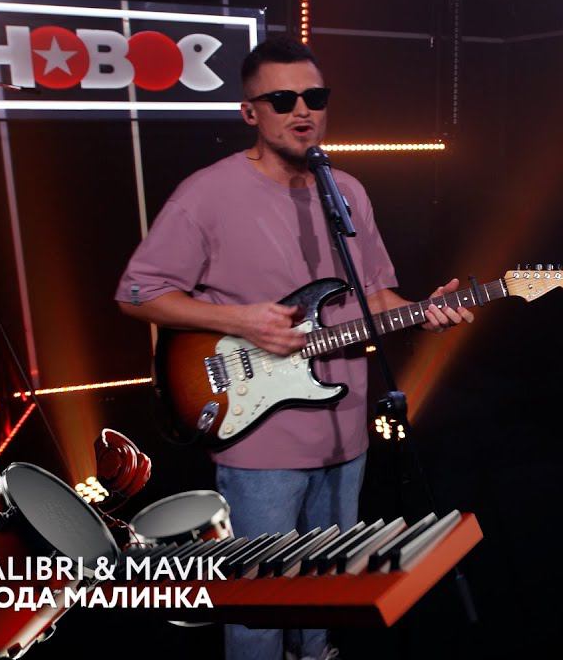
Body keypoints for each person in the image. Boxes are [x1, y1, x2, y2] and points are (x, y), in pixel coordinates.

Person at [115, 36, 473, 660]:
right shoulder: (207, 193)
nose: (302, 110)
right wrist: (241, 320)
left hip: (345, 430)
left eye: (315, 97)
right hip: (260, 439)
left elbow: (375, 296)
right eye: (282, 100)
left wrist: (423, 312)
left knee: (326, 579)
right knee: (261, 599)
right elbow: (137, 293)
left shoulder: (347, 191)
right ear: (249, 112)